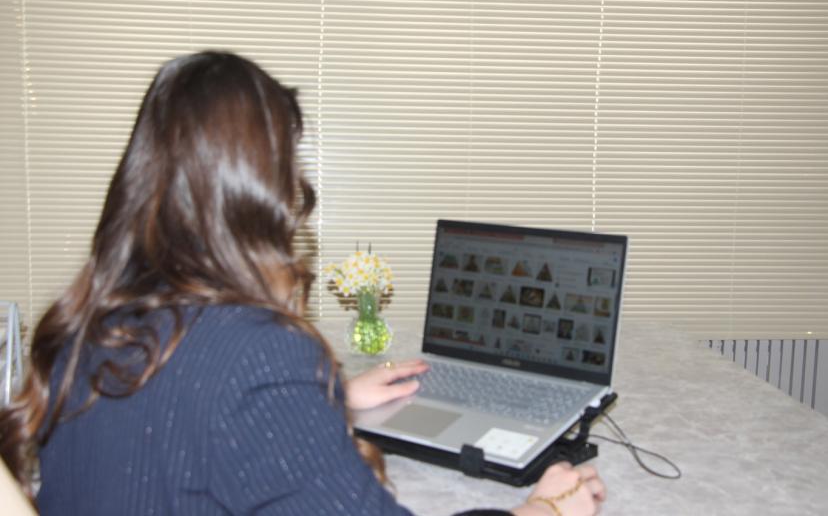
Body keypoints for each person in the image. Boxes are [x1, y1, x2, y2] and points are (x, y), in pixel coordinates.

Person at [0, 52, 605, 515]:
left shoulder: (90, 322)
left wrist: (327, 398)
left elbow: (179, 420)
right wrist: (544, 509)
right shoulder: (256, 354)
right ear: (254, 193)